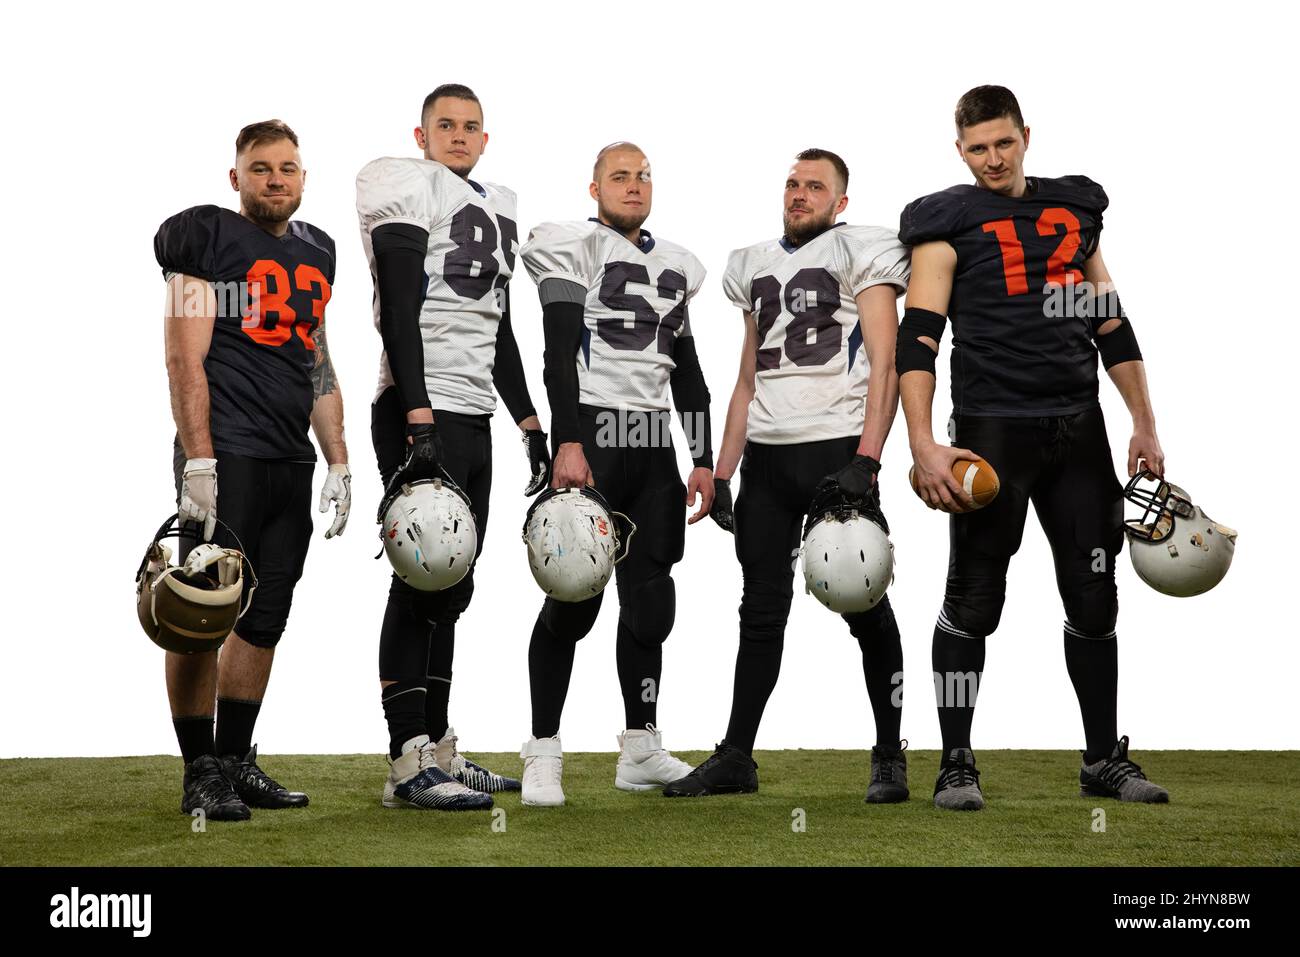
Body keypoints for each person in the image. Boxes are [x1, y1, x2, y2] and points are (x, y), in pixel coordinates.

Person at [896, 85, 1170, 810]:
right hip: (991, 431)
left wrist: (1143, 421)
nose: (992, 158)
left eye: (1003, 143)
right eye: (978, 147)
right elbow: (918, 337)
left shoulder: (1074, 208)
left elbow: (1110, 320)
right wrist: (924, 441)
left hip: (1079, 429)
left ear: (1026, 135)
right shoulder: (944, 221)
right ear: (960, 150)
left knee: (1095, 595)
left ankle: (1102, 757)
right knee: (974, 597)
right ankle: (955, 759)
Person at [663, 149, 911, 802]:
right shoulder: (754, 264)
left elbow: (886, 363)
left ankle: (889, 751)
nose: (800, 194)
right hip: (769, 462)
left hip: (838, 455)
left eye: (816, 186)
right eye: (793, 183)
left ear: (841, 201)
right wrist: (721, 470)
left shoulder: (864, 250)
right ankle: (737, 755)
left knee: (863, 599)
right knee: (761, 609)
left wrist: (868, 458)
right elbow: (747, 380)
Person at [356, 84, 549, 811]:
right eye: (446, 125)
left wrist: (529, 420)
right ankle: (407, 765)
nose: (460, 136)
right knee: (421, 576)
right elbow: (399, 309)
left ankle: (437, 747)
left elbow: (498, 326)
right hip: (418, 405)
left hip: (472, 413)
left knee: (454, 584)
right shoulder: (404, 186)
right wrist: (418, 415)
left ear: (485, 138)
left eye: (471, 126)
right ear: (422, 133)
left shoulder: (497, 202)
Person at [155, 119, 351, 821]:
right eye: (261, 167)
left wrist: (340, 459)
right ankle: (198, 768)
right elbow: (183, 356)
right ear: (235, 177)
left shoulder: (319, 250)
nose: (276, 178)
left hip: (287, 455)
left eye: (289, 167)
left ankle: (235, 758)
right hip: (227, 450)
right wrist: (199, 457)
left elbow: (317, 356)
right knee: (201, 611)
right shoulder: (202, 238)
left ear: (304, 176)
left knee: (265, 615)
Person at [517, 142, 715, 807]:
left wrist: (705, 458)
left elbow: (687, 372)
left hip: (652, 440)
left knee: (651, 604)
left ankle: (639, 746)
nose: (634, 186)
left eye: (644, 176)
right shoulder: (573, 246)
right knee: (574, 598)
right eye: (620, 176)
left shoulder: (676, 264)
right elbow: (556, 355)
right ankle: (543, 748)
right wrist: (568, 440)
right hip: (594, 436)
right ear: (595, 187)